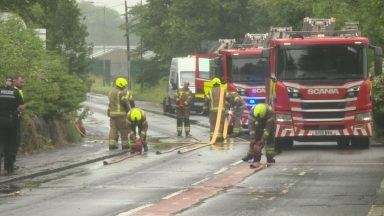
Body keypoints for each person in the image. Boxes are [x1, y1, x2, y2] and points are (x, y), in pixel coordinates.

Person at [0, 77, 24, 174]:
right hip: (12, 120)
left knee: (1, 143)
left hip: (0, 120)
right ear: (13, 82)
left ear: (5, 82)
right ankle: (9, 168)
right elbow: (21, 107)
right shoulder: (15, 92)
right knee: (11, 144)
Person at [243, 103, 276, 168]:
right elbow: (251, 127)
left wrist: (263, 139)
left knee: (270, 138)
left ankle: (270, 157)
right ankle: (250, 155)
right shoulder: (251, 113)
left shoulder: (270, 112)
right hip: (257, 123)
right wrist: (253, 137)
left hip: (269, 124)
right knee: (254, 139)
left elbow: (268, 130)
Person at [107, 77, 132, 150]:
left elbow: (110, 104)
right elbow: (125, 103)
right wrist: (129, 111)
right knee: (123, 130)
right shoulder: (121, 93)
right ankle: (125, 145)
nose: (125, 87)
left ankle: (112, 144)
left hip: (112, 115)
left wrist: (109, 111)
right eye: (124, 85)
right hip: (121, 115)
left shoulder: (110, 92)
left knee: (113, 129)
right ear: (121, 85)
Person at [203, 77, 231, 142]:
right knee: (221, 123)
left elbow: (207, 100)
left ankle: (212, 137)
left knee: (213, 123)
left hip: (213, 111)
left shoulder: (210, 91)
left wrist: (204, 108)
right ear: (219, 83)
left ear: (213, 83)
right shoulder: (223, 90)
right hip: (221, 111)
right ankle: (219, 138)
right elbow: (228, 97)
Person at [13, 75, 26, 167]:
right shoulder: (15, 91)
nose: (23, 84)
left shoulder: (19, 91)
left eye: (23, 82)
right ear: (15, 81)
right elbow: (20, 107)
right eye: (21, 82)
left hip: (14, 117)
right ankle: (10, 163)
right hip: (13, 118)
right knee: (14, 141)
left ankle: (11, 162)